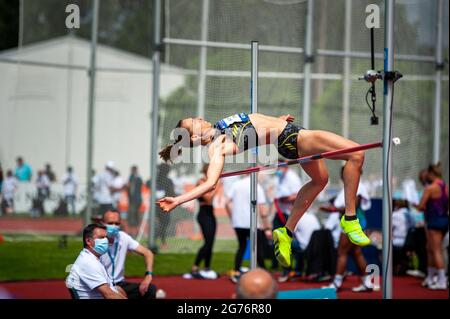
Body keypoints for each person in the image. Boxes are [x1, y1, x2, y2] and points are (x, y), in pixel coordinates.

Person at [157, 113, 369, 269]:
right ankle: (350, 218)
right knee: (356, 154)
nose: (200, 117)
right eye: (194, 122)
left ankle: (286, 232)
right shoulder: (216, 146)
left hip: (285, 136)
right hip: (296, 137)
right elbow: (211, 183)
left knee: (320, 180)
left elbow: (255, 128)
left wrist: (276, 122)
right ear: (193, 138)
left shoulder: (220, 129)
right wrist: (178, 200)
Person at [321, 167, 373, 292]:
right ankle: (367, 282)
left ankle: (336, 283)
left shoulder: (357, 186)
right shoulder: (351, 185)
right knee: (356, 253)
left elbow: (352, 206)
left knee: (342, 252)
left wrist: (332, 210)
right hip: (352, 222)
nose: (342, 176)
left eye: (345, 173)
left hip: (353, 222)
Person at [99, 210, 158, 299]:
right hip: (102, 285)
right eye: (110, 223)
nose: (114, 226)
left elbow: (148, 253)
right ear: (102, 223)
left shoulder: (123, 237)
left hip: (120, 283)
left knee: (149, 289)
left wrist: (148, 275)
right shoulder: (97, 242)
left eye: (117, 223)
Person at [225, 175, 271, 282]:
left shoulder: (236, 184)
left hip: (238, 222)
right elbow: (262, 209)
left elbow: (226, 202)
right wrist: (267, 227)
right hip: (252, 222)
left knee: (242, 246)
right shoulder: (257, 187)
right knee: (257, 248)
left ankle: (236, 271)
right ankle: (264, 272)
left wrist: (232, 217)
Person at [65, 224, 127, 299]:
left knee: (118, 289)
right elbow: (110, 295)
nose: (106, 240)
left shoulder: (93, 258)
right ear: (88, 241)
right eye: (101, 237)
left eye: (106, 237)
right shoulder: (89, 263)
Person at [414, 163, 448, 290]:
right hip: (444, 220)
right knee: (430, 248)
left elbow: (421, 206)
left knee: (436, 250)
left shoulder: (430, 188)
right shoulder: (446, 186)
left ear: (430, 173)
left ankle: (442, 280)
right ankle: (431, 277)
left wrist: (414, 204)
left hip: (434, 221)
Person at [271, 163, 302, 274]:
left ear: (286, 167)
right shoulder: (278, 178)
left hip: (290, 214)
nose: (278, 169)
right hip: (280, 213)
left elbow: (299, 194)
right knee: (276, 239)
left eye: (280, 167)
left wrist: (287, 199)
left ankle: (292, 268)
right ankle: (278, 266)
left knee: (291, 242)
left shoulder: (292, 178)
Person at [190, 164, 218, 279]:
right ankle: (195, 266)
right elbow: (208, 198)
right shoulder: (201, 182)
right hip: (203, 214)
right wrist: (217, 185)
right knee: (207, 242)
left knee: (211, 243)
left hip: (210, 213)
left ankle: (207, 267)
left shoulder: (211, 182)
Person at [153, 163, 175, 250]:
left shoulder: (157, 179)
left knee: (162, 224)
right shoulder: (164, 180)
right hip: (164, 206)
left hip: (159, 206)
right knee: (163, 224)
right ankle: (159, 241)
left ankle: (158, 240)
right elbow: (171, 193)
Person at [127, 165, 143, 232]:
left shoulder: (134, 178)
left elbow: (131, 189)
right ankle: (135, 229)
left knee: (134, 215)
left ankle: (135, 230)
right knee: (134, 215)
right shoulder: (136, 177)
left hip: (135, 200)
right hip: (135, 199)